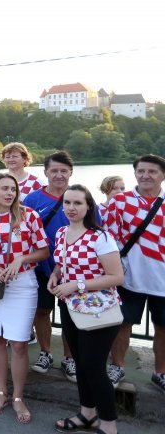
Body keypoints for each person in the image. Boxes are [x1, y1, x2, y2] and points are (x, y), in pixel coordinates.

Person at [0, 173, 50, 423]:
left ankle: (18, 396)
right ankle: (1, 391)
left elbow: (43, 250)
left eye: (13, 189)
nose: (9, 193)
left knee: (18, 343)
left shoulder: (28, 215)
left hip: (23, 285)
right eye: (4, 189)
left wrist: (21, 259)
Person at [49, 185, 124, 434]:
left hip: (99, 310)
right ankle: (87, 414)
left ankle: (109, 423)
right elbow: (63, 263)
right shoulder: (61, 233)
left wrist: (76, 285)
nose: (71, 208)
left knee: (93, 366)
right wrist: (55, 275)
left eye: (77, 203)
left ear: (88, 206)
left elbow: (116, 277)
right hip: (72, 308)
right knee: (80, 363)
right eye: (67, 203)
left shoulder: (100, 237)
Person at [107, 154, 165, 392]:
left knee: (163, 328)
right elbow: (109, 240)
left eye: (152, 171)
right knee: (122, 324)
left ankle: (160, 372)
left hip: (162, 280)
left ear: (162, 175)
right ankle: (117, 366)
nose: (145, 176)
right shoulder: (119, 202)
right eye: (141, 171)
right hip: (129, 278)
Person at [23, 151, 80, 380]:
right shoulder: (32, 200)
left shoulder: (80, 197)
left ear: (70, 173)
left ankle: (69, 358)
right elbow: (22, 233)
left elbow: (95, 230)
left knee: (70, 315)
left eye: (63, 171)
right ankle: (46, 352)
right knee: (42, 311)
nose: (58, 175)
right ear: (45, 172)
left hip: (72, 269)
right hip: (40, 268)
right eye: (54, 170)